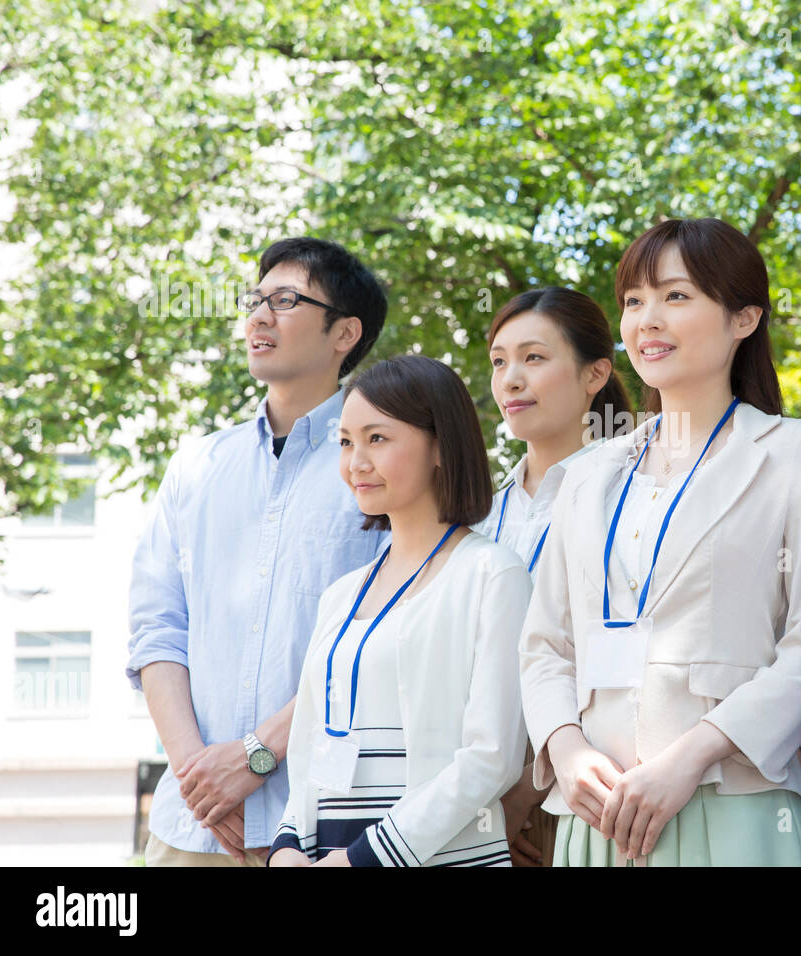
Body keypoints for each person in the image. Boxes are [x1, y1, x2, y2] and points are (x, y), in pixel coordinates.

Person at [519, 217, 801, 866]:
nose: (647, 319)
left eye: (676, 296)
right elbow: (546, 643)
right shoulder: (585, 476)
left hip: (734, 806)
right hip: (599, 813)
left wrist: (695, 753)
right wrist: (566, 749)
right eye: (634, 301)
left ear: (743, 319)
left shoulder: (795, 454)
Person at [127, 238, 389, 866]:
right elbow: (157, 631)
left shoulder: (382, 467)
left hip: (325, 830)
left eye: (287, 301)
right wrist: (203, 781)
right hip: (190, 829)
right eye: (255, 301)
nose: (259, 317)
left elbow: (386, 634)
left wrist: (254, 758)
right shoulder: (197, 465)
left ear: (344, 333)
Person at [268, 355, 531, 866]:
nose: (355, 462)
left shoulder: (491, 574)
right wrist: (287, 846)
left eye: (377, 438)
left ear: (439, 445)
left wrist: (363, 859)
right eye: (345, 442)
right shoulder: (341, 595)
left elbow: (491, 758)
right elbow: (308, 748)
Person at [474, 287, 633, 866]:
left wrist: (528, 792)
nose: (510, 379)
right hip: (468, 803)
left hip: (582, 794)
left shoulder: (629, 499)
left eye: (534, 358)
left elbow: (618, 660)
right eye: (499, 361)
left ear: (595, 374)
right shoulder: (481, 515)